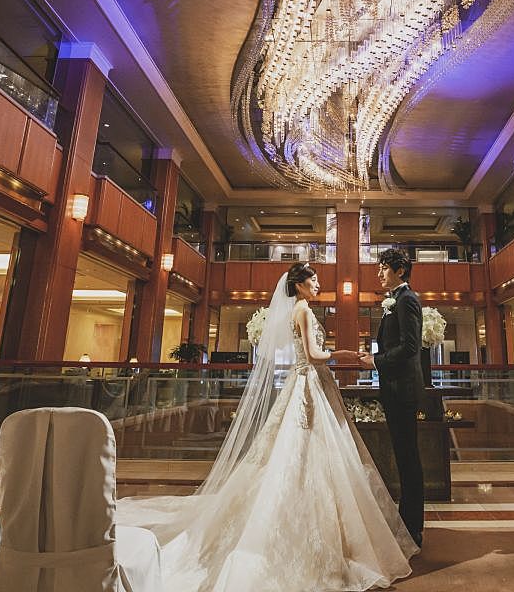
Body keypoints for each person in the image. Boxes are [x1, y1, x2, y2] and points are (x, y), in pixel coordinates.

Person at [116, 262, 416, 591]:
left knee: (304, 452)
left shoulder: (300, 310)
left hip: (310, 383)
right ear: (299, 285)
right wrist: (342, 353)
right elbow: (313, 355)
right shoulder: (303, 311)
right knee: (307, 450)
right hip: (308, 384)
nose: (318, 284)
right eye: (313, 279)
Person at [357, 248, 425, 547]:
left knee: (408, 457)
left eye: (384, 267)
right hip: (395, 388)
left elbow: (410, 347)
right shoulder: (395, 300)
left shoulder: (407, 299)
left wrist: (375, 361)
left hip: (403, 390)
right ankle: (407, 522)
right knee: (403, 456)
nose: (379, 273)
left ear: (400, 270)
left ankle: (413, 528)